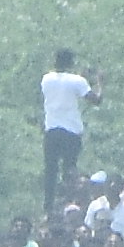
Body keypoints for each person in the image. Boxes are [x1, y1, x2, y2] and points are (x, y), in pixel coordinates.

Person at [40, 43, 93, 211]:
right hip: (71, 131)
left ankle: (48, 205)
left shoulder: (46, 79)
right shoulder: (78, 81)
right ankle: (69, 201)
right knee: (70, 169)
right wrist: (99, 82)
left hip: (52, 129)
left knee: (51, 170)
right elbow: (95, 99)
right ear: (71, 63)